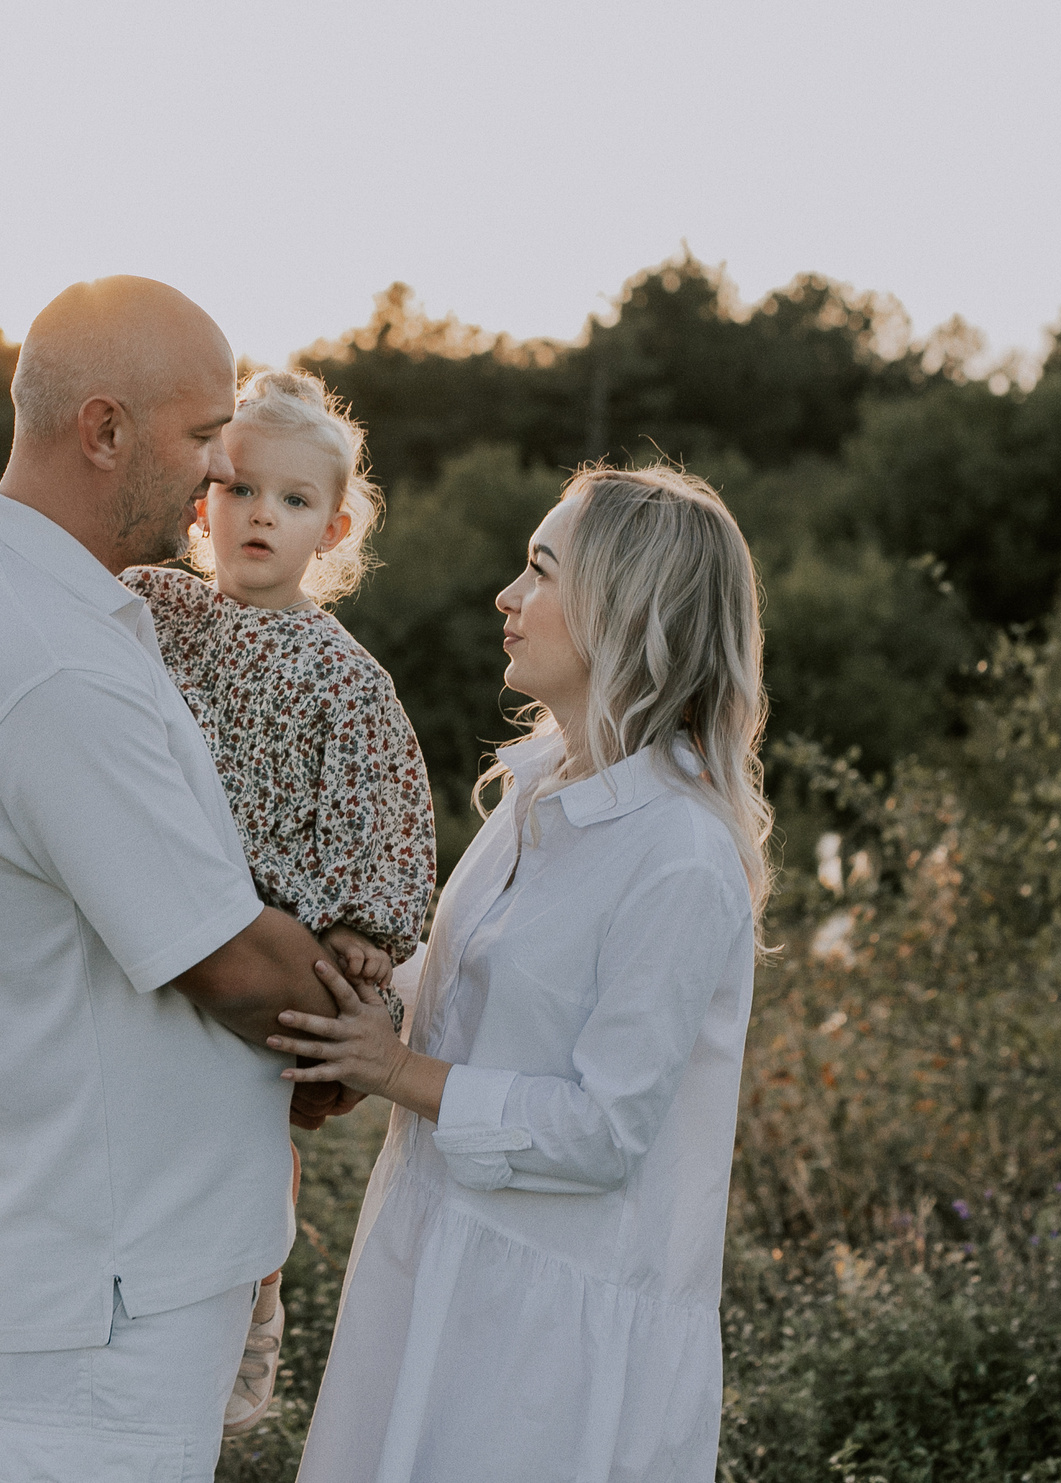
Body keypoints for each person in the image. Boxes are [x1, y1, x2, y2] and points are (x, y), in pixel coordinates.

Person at [0, 276, 357, 1483]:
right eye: (203, 436)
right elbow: (233, 961)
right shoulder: (45, 660)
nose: (220, 473)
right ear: (102, 430)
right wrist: (369, 1034)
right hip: (101, 1289)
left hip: (124, 1266)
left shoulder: (56, 608)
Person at [278, 465, 772, 1483]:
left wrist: (390, 1071)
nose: (507, 597)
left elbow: (603, 1131)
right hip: (431, 1267)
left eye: (540, 571)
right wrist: (366, 974)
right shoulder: (536, 786)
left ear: (622, 609)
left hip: (551, 1347)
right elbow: (473, 999)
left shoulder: (679, 852)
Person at [119, 367, 437, 1435]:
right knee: (151, 1124)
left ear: (333, 526)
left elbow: (382, 826)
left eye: (295, 502)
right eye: (241, 489)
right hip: (163, 923)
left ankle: (252, 1296)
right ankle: (139, 1301)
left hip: (273, 938)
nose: (262, 515)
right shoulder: (159, 612)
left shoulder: (342, 677)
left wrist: (357, 937)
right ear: (203, 499)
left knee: (248, 1138)